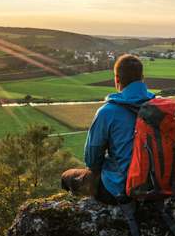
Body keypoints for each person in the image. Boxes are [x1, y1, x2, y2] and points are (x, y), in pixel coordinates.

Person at [61, 54, 154, 204]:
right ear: (142, 78)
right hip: (159, 182)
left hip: (120, 189)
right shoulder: (160, 106)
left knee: (67, 176)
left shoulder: (107, 112)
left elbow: (92, 161)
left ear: (117, 79)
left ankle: (75, 205)